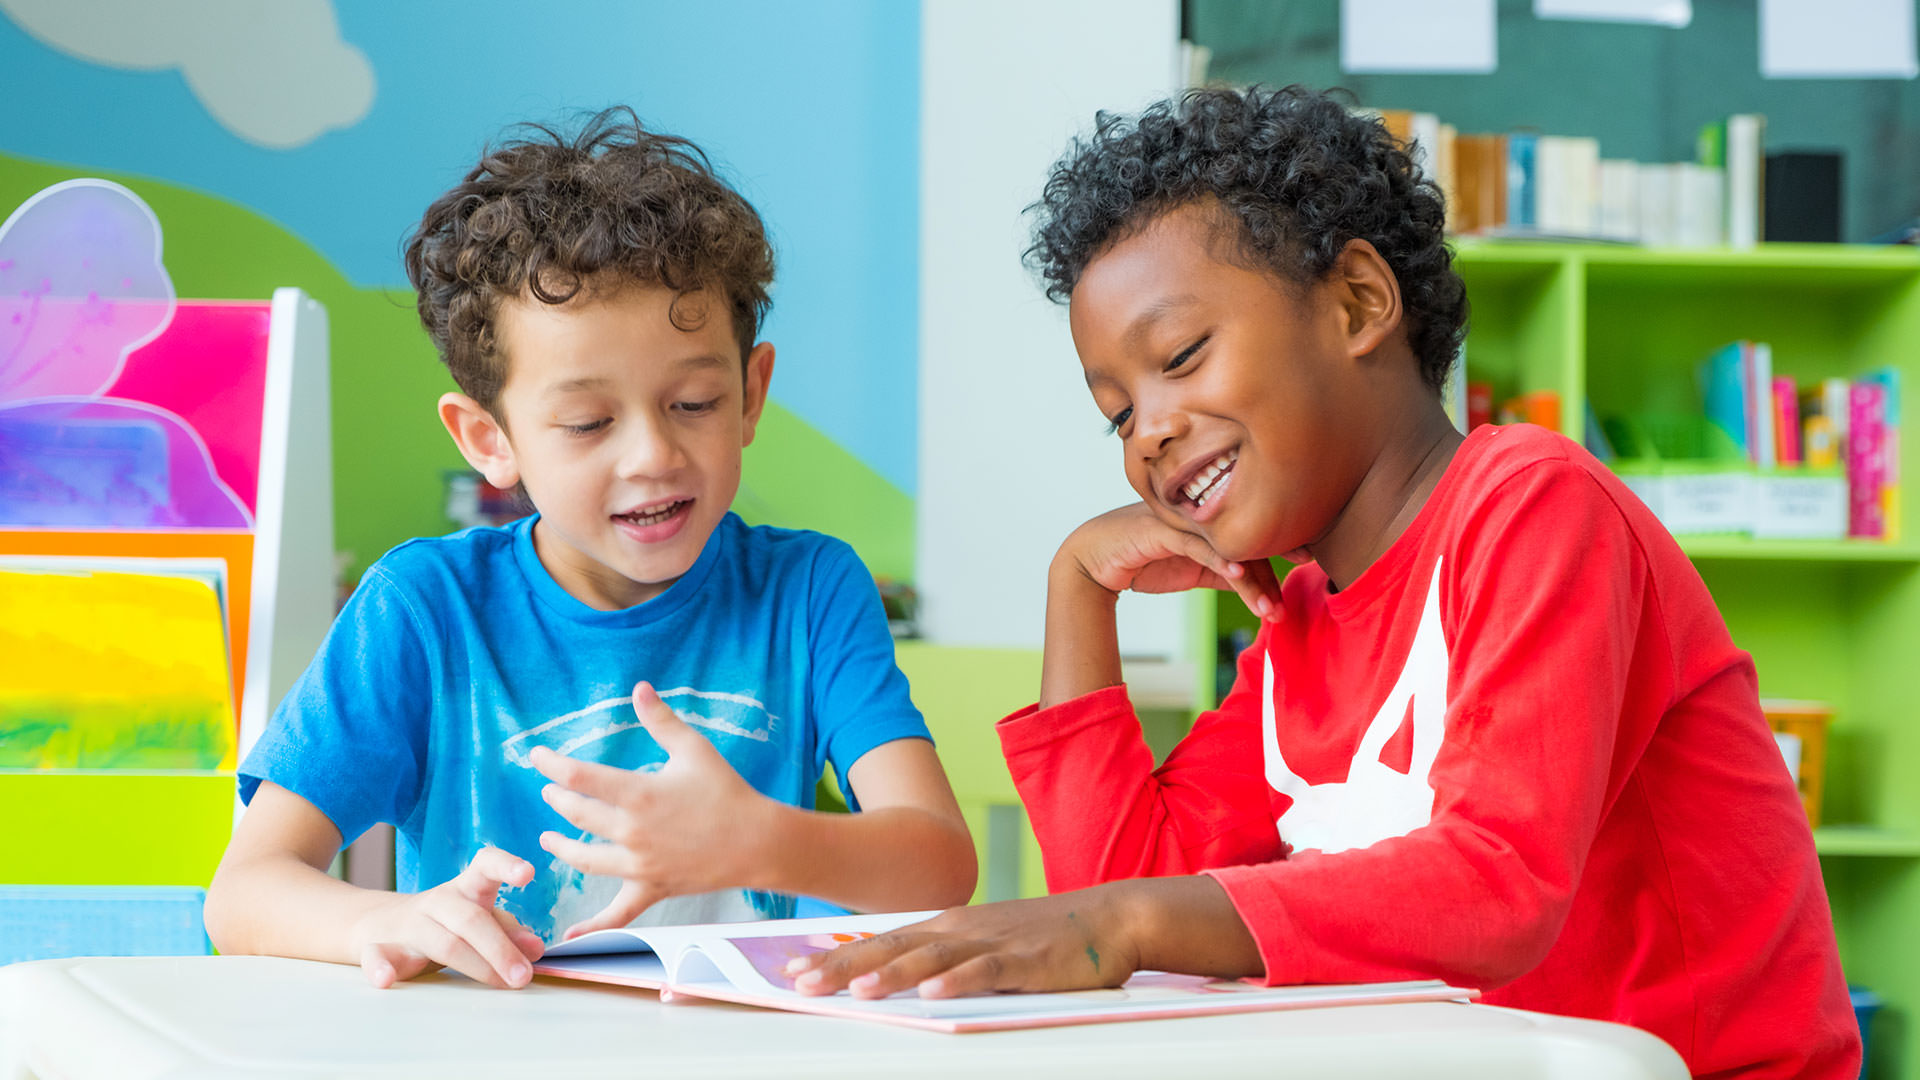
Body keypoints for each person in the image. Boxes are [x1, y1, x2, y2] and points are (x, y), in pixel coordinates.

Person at [787, 86, 1857, 1078]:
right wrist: (1078, 588)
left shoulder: (1535, 504)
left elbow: (1498, 885)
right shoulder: (1299, 625)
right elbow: (1120, 882)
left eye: (1185, 354)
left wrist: (1119, 926)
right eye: (1115, 414)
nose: (1148, 430)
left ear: (1355, 303)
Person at [204, 108, 976, 991]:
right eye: (587, 422)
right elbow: (243, 894)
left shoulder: (808, 590)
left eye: (693, 403)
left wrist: (757, 839)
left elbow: (940, 865)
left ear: (752, 392)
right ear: (489, 439)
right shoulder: (423, 608)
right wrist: (385, 917)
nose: (652, 455)